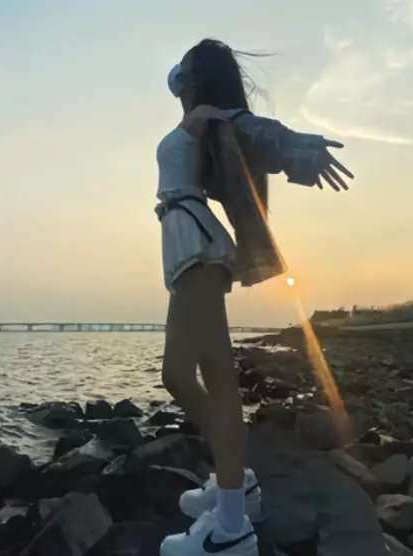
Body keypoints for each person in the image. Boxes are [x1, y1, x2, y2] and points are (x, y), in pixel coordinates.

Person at [156, 38, 353, 556]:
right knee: (192, 377)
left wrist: (301, 149)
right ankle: (235, 484)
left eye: (186, 66)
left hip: (195, 245)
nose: (178, 73)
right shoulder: (196, 118)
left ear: (199, 76)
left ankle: (231, 527)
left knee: (203, 379)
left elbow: (259, 133)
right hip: (186, 242)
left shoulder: (212, 116)